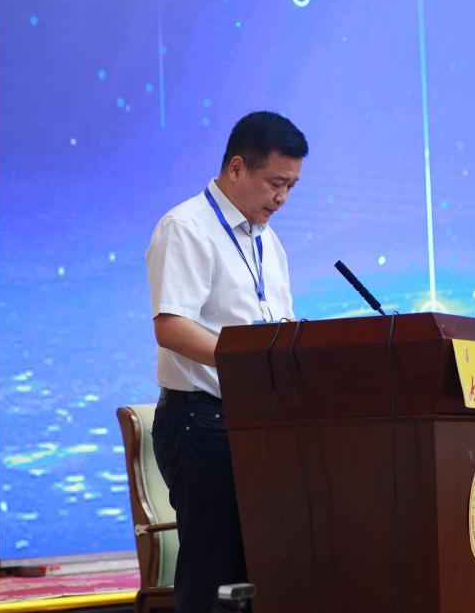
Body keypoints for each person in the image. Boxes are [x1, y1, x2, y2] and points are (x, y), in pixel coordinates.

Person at [146, 111, 308, 612]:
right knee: (212, 575)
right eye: (275, 183)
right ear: (237, 167)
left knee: (257, 572)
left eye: (291, 186)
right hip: (201, 424)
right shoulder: (187, 227)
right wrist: (248, 359)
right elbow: (171, 326)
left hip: (259, 424)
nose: (282, 198)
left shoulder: (267, 241)